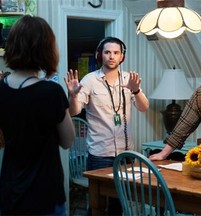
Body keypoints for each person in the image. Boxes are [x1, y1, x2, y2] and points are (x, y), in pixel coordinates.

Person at [0, 15, 75, 215]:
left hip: (10, 193)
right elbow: (68, 141)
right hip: (44, 196)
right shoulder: (51, 92)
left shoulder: (1, 87)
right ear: (45, 49)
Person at [65, 36, 149, 215]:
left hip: (126, 154)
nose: (112, 56)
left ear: (122, 57)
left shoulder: (129, 79)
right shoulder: (89, 80)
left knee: (119, 205)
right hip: (100, 155)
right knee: (97, 205)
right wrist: (72, 96)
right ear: (100, 55)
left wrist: (136, 90)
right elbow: (73, 111)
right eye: (107, 52)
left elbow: (144, 107)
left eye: (116, 53)